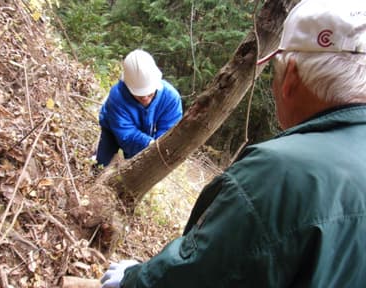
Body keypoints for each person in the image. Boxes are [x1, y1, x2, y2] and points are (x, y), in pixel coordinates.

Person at [101, 0, 366, 287]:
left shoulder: (276, 176)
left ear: (290, 77)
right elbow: (126, 135)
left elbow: (198, 272)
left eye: (273, 73)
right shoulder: (117, 99)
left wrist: (134, 281)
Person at [96, 49, 183, 166]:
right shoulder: (117, 97)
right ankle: (97, 171)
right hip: (113, 127)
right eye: (140, 95)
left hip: (146, 131)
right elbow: (126, 135)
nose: (146, 98)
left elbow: (169, 129)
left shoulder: (171, 98)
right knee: (103, 159)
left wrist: (157, 146)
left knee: (135, 165)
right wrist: (148, 143)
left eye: (150, 93)